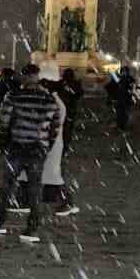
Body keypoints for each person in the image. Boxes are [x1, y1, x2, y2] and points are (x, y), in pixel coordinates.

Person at [0, 64, 60, 243]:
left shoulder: (14, 96)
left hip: (16, 147)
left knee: (7, 185)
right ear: (37, 76)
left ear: (24, 76)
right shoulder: (48, 99)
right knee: (34, 188)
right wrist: (46, 146)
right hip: (37, 149)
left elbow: (3, 122)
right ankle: (32, 228)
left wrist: (3, 143)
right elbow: (55, 127)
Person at [39, 62, 80, 218]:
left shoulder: (55, 96)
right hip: (60, 136)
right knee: (51, 171)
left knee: (53, 172)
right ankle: (58, 200)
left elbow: (54, 121)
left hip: (54, 139)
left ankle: (65, 202)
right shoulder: (63, 92)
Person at [58, 67, 84, 151]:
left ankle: (63, 145)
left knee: (63, 128)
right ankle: (65, 145)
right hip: (70, 109)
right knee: (68, 129)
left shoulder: (62, 83)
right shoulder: (74, 84)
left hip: (64, 108)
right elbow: (79, 94)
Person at [108, 66, 136, 131]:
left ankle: (123, 125)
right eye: (123, 71)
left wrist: (131, 92)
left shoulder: (130, 79)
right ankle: (119, 125)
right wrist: (113, 73)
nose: (123, 73)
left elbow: (132, 88)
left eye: (125, 71)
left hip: (126, 99)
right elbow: (115, 83)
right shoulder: (121, 78)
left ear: (127, 72)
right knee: (119, 113)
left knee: (125, 113)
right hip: (119, 99)